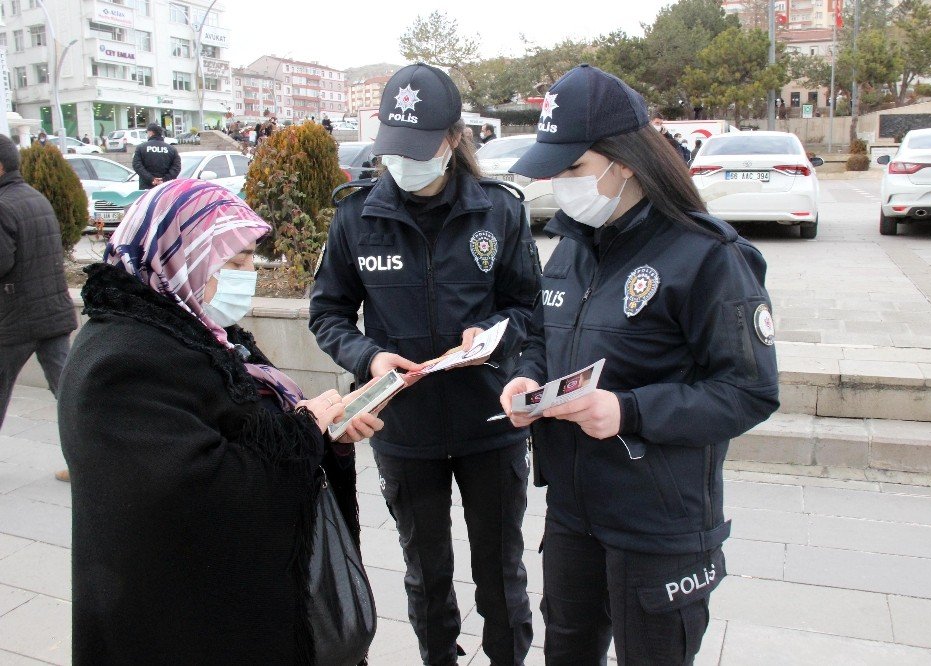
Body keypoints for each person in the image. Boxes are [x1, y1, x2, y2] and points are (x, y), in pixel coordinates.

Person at [499, 64, 780, 665]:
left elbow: (749, 390)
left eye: (573, 169)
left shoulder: (708, 256)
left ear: (624, 162)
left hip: (659, 523)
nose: (560, 184)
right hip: (574, 512)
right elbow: (547, 339)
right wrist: (525, 374)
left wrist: (628, 411)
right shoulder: (573, 245)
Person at [59, 179, 384, 664]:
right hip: (179, 627)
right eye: (233, 262)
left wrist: (324, 428)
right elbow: (192, 489)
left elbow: (252, 426)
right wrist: (305, 430)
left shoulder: (199, 331)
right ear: (177, 255)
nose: (247, 273)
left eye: (252, 258)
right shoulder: (120, 360)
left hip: (223, 610)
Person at [310, 62, 540, 666]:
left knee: (500, 572)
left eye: (420, 148)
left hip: (488, 424)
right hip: (404, 430)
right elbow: (327, 314)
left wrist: (494, 334)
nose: (405, 161)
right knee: (426, 570)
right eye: (396, 148)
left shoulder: (500, 211)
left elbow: (527, 307)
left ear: (452, 140)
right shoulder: (355, 217)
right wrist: (368, 356)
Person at [0, 134, 77, 482]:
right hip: (51, 313)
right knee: (69, 393)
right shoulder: (36, 198)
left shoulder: (2, 205)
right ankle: (84, 465)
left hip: (15, 318)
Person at [132, 123, 181, 190]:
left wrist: (151, 179)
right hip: (166, 188)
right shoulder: (172, 149)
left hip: (146, 187)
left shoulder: (141, 148)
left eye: (147, 132)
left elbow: (137, 165)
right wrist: (164, 180)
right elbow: (176, 167)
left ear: (151, 133)